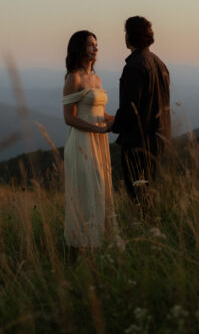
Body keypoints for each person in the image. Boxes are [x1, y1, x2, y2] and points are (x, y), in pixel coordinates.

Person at [62, 30, 115, 247]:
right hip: (82, 142)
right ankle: (81, 243)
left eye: (96, 44)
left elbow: (101, 113)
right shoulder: (73, 78)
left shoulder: (97, 78)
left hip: (99, 140)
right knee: (86, 191)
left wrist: (120, 120)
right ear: (79, 48)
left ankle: (98, 240)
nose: (95, 48)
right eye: (90, 44)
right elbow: (68, 118)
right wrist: (97, 129)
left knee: (100, 189)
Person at [110, 15, 171, 202]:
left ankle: (144, 229)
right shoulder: (159, 63)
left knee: (138, 197)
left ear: (130, 36)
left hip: (138, 143)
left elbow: (130, 108)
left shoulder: (134, 66)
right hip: (159, 140)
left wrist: (113, 126)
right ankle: (152, 228)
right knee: (151, 193)